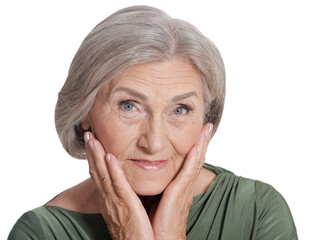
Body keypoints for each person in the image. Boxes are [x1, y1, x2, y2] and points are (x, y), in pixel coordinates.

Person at [8, 5, 298, 240]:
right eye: (129, 106)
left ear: (205, 119)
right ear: (85, 110)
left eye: (180, 110)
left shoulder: (258, 211)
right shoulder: (41, 233)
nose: (154, 142)